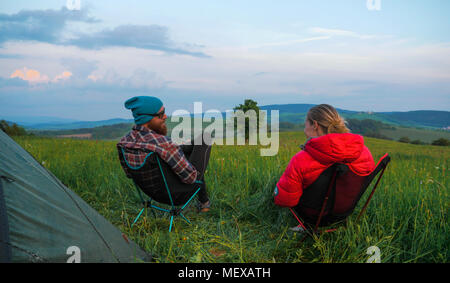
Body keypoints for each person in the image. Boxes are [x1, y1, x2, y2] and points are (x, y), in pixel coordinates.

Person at [117, 96, 211, 212]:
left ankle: (204, 203)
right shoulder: (164, 144)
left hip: (152, 193)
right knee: (205, 138)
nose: (165, 116)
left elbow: (129, 174)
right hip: (176, 195)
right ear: (147, 119)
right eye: (161, 114)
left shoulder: (124, 142)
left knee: (184, 148)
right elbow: (191, 178)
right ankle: (204, 203)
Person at [274, 104, 375, 210]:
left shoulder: (300, 159)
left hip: (311, 215)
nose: (304, 130)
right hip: (344, 211)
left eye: (306, 125)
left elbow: (285, 201)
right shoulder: (364, 152)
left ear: (315, 125)